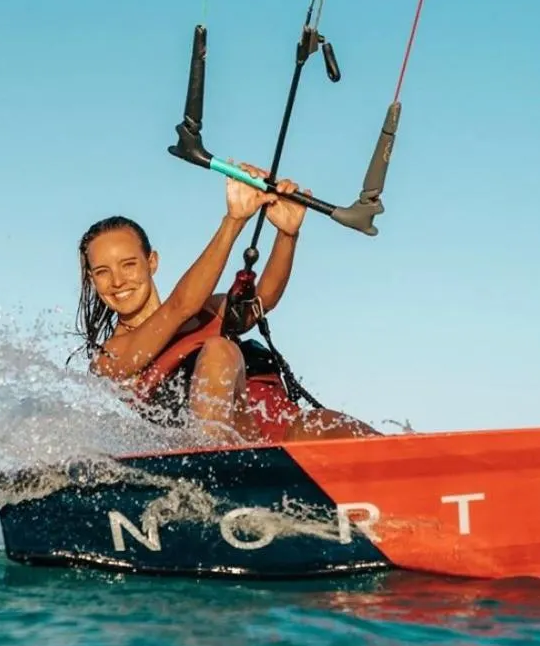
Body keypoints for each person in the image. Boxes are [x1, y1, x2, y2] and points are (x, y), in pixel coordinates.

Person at [74, 164, 377, 444]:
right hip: (234, 454)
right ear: (92, 279)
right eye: (102, 272)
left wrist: (287, 233)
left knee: (327, 423)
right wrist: (234, 221)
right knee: (220, 350)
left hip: (281, 432)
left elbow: (263, 300)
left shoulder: (207, 312)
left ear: (151, 262)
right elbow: (179, 308)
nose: (117, 281)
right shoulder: (110, 358)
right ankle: (215, 457)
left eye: (128, 265)